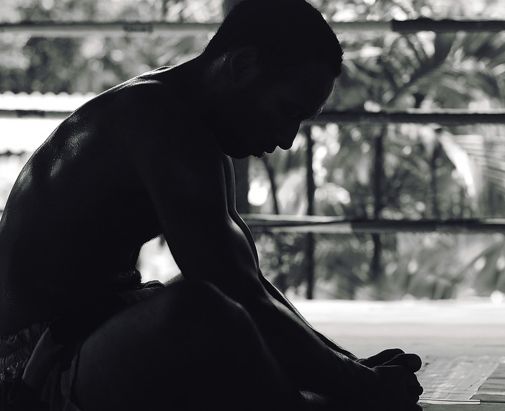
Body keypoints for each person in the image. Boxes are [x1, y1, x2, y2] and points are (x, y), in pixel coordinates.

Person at [0, 0, 424, 410]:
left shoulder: (191, 125)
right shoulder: (158, 118)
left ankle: (323, 399)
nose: (287, 138)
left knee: (219, 307)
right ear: (241, 65)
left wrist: (348, 365)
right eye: (286, 110)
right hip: (26, 363)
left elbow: (249, 282)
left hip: (88, 331)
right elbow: (229, 289)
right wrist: (358, 382)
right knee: (199, 310)